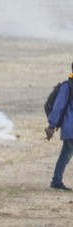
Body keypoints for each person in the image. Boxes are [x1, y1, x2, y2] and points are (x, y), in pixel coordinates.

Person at [45, 63, 73, 191]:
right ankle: (56, 180)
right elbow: (58, 107)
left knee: (65, 155)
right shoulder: (67, 87)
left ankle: (56, 180)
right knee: (65, 155)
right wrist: (51, 125)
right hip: (70, 128)